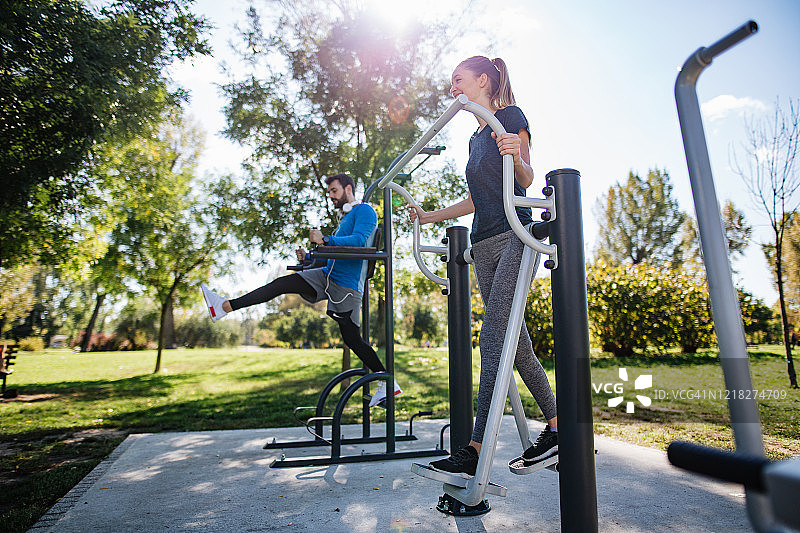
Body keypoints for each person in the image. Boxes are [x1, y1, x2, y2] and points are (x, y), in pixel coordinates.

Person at [410, 56, 558, 476]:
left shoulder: (508, 116)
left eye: (457, 79)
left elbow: (526, 179)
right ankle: (557, 425)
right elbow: (476, 200)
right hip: (484, 243)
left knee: (492, 341)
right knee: (519, 346)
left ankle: (473, 450)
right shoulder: (475, 138)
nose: (452, 86)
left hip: (515, 237)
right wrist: (430, 216)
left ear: (482, 80)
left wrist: (515, 152)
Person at [201, 173, 402, 407]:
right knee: (281, 284)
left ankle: (388, 383)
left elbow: (358, 241)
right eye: (329, 193)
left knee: (352, 339)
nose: (331, 197)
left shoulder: (364, 211)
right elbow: (331, 258)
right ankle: (224, 307)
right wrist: (308, 258)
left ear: (348, 189)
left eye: (334, 191)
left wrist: (325, 240)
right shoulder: (344, 219)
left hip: (346, 286)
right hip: (327, 276)